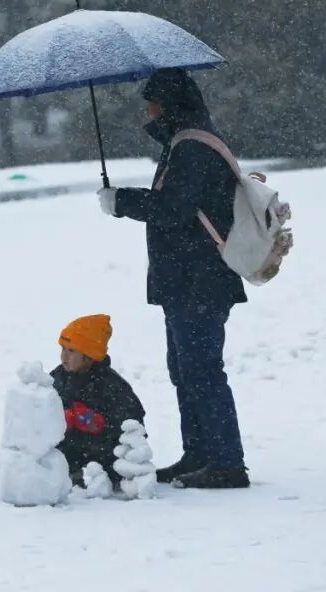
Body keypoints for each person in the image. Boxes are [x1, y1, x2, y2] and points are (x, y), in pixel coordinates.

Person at [96, 68, 250, 489]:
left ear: (170, 105)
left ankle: (226, 462)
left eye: (152, 105)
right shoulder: (183, 142)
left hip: (199, 279)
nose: (147, 114)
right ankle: (199, 453)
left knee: (201, 369)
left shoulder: (193, 148)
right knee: (185, 369)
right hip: (187, 279)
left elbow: (174, 209)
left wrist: (121, 201)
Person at [50, 314, 145, 486]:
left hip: (103, 452)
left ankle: (100, 479)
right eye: (62, 348)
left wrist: (100, 424)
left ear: (89, 355)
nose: (64, 356)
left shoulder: (111, 385)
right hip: (71, 448)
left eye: (71, 351)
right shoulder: (57, 378)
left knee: (111, 464)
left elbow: (135, 424)